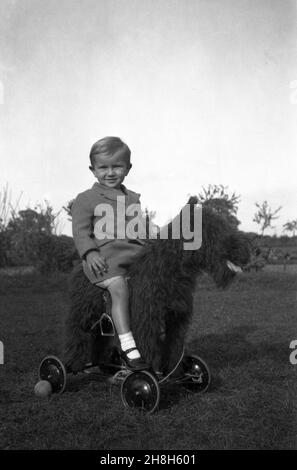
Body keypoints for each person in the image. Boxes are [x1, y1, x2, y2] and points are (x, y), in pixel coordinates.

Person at [71, 136, 151, 370]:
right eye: (103, 167)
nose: (110, 172)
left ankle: (152, 340)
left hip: (133, 259)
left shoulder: (133, 199)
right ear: (93, 170)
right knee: (119, 287)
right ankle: (128, 345)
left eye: (117, 166)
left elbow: (141, 231)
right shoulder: (86, 199)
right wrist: (89, 253)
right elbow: (81, 231)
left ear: (128, 167)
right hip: (104, 260)